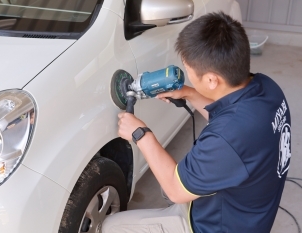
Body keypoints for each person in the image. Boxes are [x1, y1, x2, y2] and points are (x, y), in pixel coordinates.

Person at [102, 12, 291, 233]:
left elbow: (174, 189)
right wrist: (189, 93)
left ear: (212, 80)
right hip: (251, 216)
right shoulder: (268, 89)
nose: (188, 76)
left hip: (215, 227)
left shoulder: (227, 138)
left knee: (111, 226)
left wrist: (141, 134)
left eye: (190, 72)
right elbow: (232, 121)